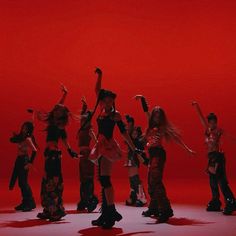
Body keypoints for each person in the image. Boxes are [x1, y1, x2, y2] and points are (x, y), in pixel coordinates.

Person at [90, 68, 148, 229]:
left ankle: (112, 212)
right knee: (101, 179)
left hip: (108, 146)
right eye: (106, 100)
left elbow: (123, 134)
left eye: (110, 101)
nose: (108, 103)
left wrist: (134, 148)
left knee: (105, 179)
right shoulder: (101, 108)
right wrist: (100, 75)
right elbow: (97, 90)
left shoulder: (116, 115)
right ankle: (105, 214)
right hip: (100, 145)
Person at [135, 95, 195, 223]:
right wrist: (142, 99)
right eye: (155, 114)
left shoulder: (163, 128)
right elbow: (146, 111)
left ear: (161, 117)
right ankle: (154, 208)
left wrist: (187, 149)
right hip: (151, 155)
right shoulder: (150, 127)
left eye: (158, 114)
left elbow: (176, 139)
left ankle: (166, 209)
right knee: (151, 182)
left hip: (158, 154)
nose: (156, 116)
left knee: (155, 180)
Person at [36, 84, 78, 221]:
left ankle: (56, 210)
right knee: (47, 180)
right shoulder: (53, 122)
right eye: (56, 110)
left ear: (62, 114)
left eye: (59, 110)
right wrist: (65, 94)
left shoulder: (60, 126)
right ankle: (49, 209)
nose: (56, 110)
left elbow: (65, 141)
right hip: (49, 154)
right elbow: (57, 106)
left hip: (54, 155)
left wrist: (70, 151)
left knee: (52, 181)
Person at [192, 101, 236, 215]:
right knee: (212, 182)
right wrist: (197, 106)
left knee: (221, 181)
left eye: (213, 122)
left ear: (216, 122)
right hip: (211, 157)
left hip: (218, 157)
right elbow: (201, 118)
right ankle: (216, 201)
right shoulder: (207, 131)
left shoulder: (218, 131)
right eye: (210, 122)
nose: (212, 123)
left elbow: (229, 137)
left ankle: (231, 201)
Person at [9, 119, 38, 212]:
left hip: (24, 160)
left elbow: (35, 150)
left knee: (23, 182)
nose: (23, 129)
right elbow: (12, 140)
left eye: (26, 128)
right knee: (21, 183)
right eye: (23, 127)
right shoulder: (21, 138)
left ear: (29, 130)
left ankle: (30, 203)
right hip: (19, 160)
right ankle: (25, 202)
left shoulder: (28, 139)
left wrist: (30, 163)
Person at [76, 96, 98, 212]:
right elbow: (83, 115)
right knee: (83, 179)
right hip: (82, 154)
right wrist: (84, 105)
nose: (83, 119)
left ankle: (89, 200)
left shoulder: (89, 130)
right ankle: (84, 200)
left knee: (88, 178)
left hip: (87, 154)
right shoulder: (83, 127)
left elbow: (96, 142)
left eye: (85, 118)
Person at [124, 114, 147, 207]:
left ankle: (142, 197)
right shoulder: (129, 138)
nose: (134, 134)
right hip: (130, 159)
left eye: (136, 133)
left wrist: (130, 121)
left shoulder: (138, 142)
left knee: (135, 178)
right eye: (133, 133)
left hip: (134, 159)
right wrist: (129, 121)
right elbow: (128, 130)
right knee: (131, 179)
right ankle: (133, 196)